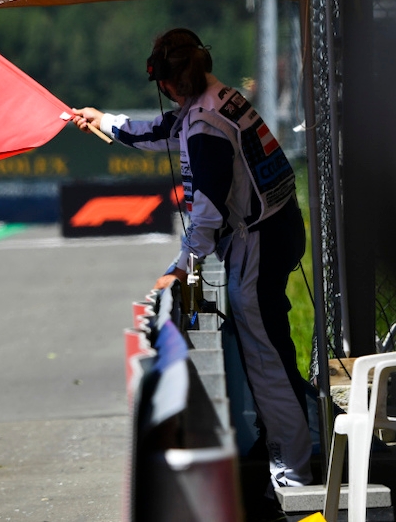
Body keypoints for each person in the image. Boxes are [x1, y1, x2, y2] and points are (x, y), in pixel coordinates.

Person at [72, 28, 312, 492]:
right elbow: (162, 130)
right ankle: (284, 452)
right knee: (271, 351)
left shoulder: (205, 124)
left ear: (165, 82)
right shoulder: (218, 100)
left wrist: (181, 266)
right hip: (273, 233)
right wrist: (105, 121)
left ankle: (295, 476)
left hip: (258, 241)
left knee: (266, 359)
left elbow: (207, 212)